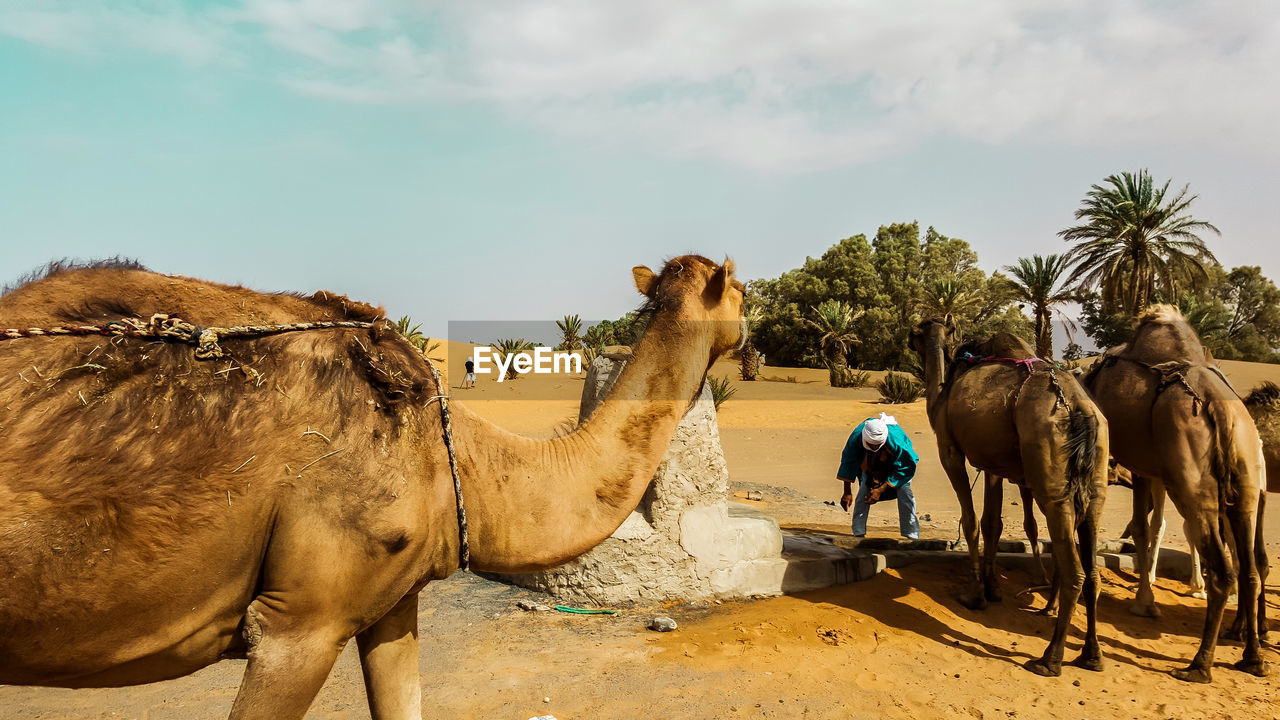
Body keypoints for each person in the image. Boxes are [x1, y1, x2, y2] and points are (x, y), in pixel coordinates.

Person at [837, 412, 920, 540]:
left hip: (897, 467)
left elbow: (906, 466)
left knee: (905, 492)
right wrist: (847, 492)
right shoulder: (857, 437)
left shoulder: (896, 441)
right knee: (864, 490)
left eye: (877, 444)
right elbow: (849, 461)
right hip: (870, 464)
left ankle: (911, 534)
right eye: (871, 444)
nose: (874, 446)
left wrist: (880, 490)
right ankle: (858, 532)